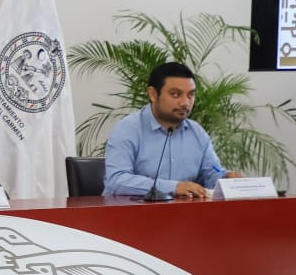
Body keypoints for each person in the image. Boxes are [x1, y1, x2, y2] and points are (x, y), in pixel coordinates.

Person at [102, 61, 240, 199]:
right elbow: (117, 181)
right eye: (175, 94)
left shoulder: (197, 133)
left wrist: (226, 179)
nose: (185, 103)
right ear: (153, 94)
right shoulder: (127, 130)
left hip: (183, 215)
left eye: (190, 95)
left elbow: (210, 174)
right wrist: (173, 187)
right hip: (132, 215)